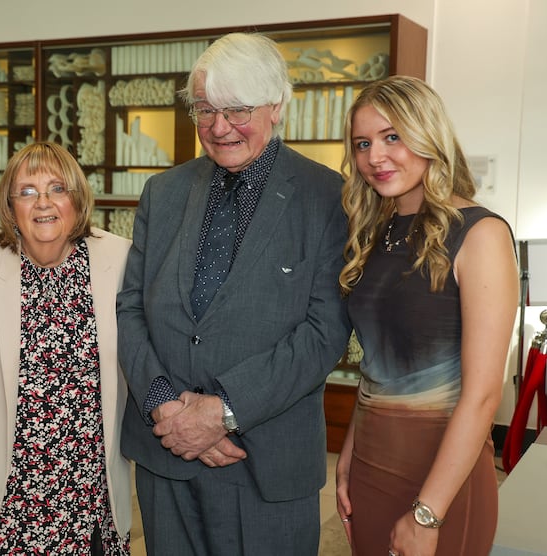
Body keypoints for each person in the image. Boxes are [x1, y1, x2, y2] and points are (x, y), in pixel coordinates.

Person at [117, 32, 352, 555]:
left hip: (266, 466)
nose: (219, 128)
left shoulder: (328, 198)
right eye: (205, 109)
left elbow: (323, 333)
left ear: (276, 106)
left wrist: (219, 412)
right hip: (167, 458)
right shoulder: (164, 191)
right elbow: (130, 307)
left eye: (237, 110)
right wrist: (164, 407)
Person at [335, 75, 518, 556]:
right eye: (362, 143)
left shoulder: (480, 234)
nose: (375, 156)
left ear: (428, 134)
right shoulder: (376, 235)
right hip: (371, 466)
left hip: (441, 482)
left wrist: (427, 513)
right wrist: (349, 458)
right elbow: (380, 365)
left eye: (392, 136)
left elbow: (483, 395)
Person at [0, 141, 133, 555]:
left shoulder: (118, 257)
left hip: (87, 488)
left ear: (77, 200)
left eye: (57, 189)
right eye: (26, 191)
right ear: (10, 207)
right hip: (2, 487)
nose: (43, 203)